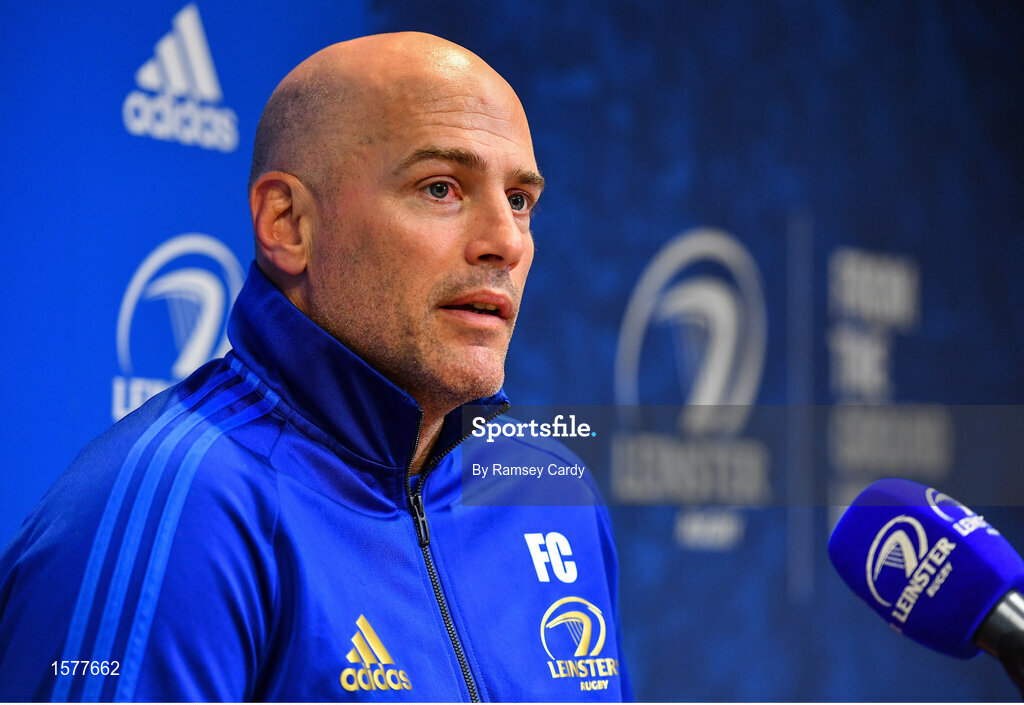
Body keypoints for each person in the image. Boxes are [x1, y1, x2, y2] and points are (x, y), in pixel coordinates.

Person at [0, 32, 629, 701]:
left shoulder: (550, 489)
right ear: (288, 222)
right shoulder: (183, 509)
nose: (505, 241)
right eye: (441, 187)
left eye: (521, 200)